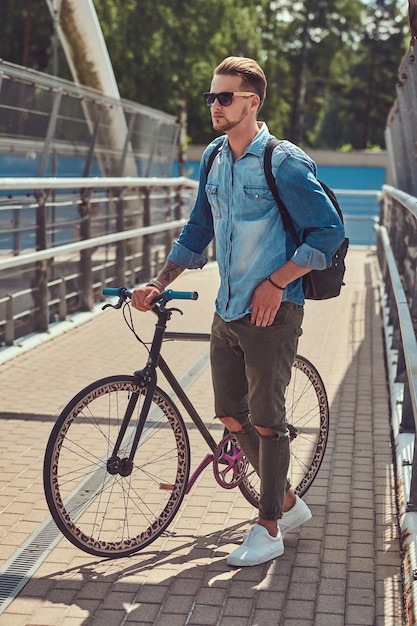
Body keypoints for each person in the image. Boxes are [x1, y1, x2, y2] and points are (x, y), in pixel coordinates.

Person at [132, 56, 345, 567]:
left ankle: (268, 528)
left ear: (252, 101)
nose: (215, 106)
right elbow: (197, 229)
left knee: (269, 422)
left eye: (224, 97)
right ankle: (288, 503)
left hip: (273, 313)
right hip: (228, 310)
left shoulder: (283, 161)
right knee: (230, 414)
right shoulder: (214, 158)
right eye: (211, 97)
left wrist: (278, 282)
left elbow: (329, 232)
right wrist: (159, 281)